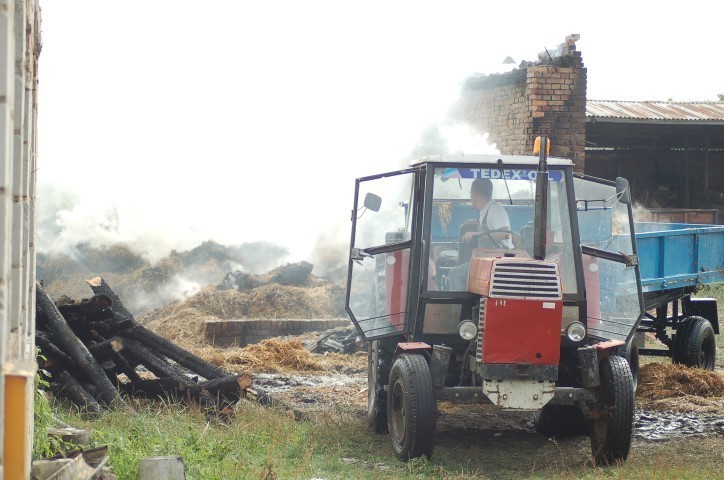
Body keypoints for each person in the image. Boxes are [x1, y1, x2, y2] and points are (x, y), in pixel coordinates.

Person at [449, 178, 512, 291]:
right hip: (487, 261)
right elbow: (489, 227)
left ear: (475, 193)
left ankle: (461, 308)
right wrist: (475, 223)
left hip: (497, 263)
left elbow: (505, 233)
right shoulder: (484, 212)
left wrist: (477, 233)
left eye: (470, 194)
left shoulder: (495, 209)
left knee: (455, 274)